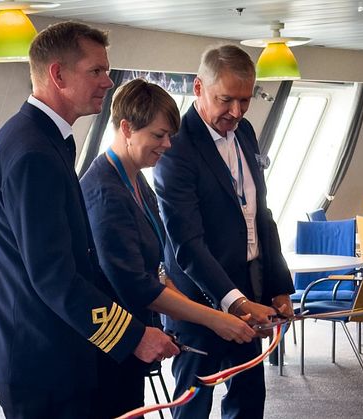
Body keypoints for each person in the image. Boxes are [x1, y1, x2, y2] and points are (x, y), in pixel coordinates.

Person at [0, 22, 179, 419]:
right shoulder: (33, 151)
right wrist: (132, 336)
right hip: (40, 353)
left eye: (107, 70)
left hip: (46, 346)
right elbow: (54, 275)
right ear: (58, 74)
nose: (108, 81)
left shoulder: (39, 138)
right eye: (96, 71)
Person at [80, 78, 257, 419]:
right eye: (158, 136)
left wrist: (204, 315)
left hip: (131, 336)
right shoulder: (105, 192)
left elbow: (155, 270)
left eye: (170, 136)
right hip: (106, 344)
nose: (167, 145)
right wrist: (215, 319)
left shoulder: (135, 179)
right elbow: (136, 285)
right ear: (127, 128)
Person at [153, 44, 295, 419]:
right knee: (193, 405)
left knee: (248, 400)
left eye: (245, 101)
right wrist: (235, 302)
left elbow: (260, 215)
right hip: (198, 298)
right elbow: (186, 243)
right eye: (226, 99)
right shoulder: (174, 146)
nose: (236, 112)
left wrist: (277, 286)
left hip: (250, 289)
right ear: (198, 88)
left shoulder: (245, 131)